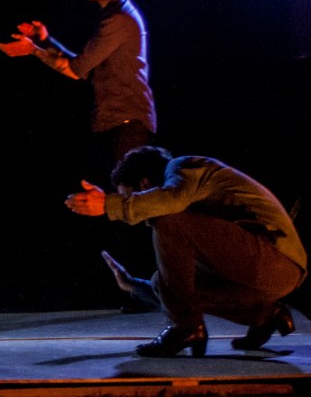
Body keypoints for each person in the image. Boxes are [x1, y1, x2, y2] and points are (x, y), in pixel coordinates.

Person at [65, 146, 307, 357]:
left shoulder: (185, 166)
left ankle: (185, 328)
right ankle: (266, 314)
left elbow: (171, 200)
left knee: (168, 218)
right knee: (161, 282)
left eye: (129, 195)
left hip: (276, 260)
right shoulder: (192, 204)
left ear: (144, 184)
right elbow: (177, 289)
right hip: (262, 270)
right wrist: (133, 286)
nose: (131, 204)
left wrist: (110, 204)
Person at [0, 0, 157, 179]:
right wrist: (45, 40)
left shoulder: (118, 19)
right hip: (119, 122)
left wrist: (33, 50)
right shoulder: (114, 13)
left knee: (126, 200)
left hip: (126, 126)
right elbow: (86, 67)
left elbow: (74, 70)